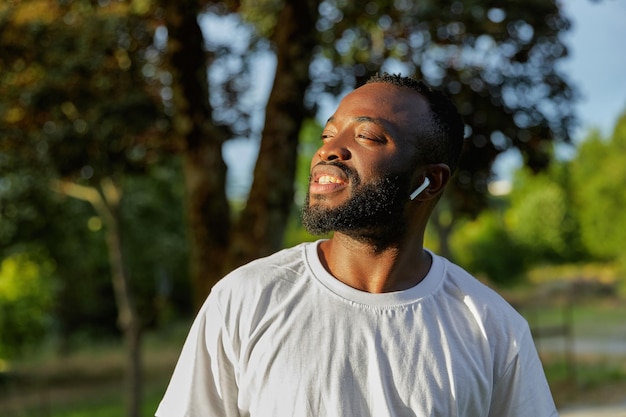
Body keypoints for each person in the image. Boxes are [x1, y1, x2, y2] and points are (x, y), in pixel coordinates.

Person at [156, 73, 558, 417]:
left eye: (366, 135)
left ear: (430, 181)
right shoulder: (245, 299)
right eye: (328, 133)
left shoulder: (493, 329)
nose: (328, 150)